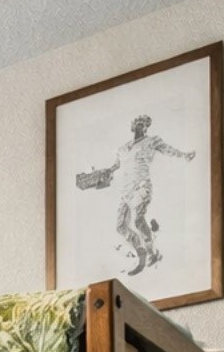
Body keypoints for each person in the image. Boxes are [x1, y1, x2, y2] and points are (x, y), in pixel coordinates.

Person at [83, 114, 195, 276]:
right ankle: (140, 251)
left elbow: (168, 150)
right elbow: (115, 166)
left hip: (141, 186)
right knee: (121, 226)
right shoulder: (123, 148)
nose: (140, 126)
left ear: (146, 127)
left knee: (137, 219)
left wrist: (184, 155)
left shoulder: (152, 141)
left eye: (143, 124)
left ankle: (152, 252)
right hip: (126, 191)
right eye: (137, 123)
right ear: (132, 126)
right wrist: (101, 175)